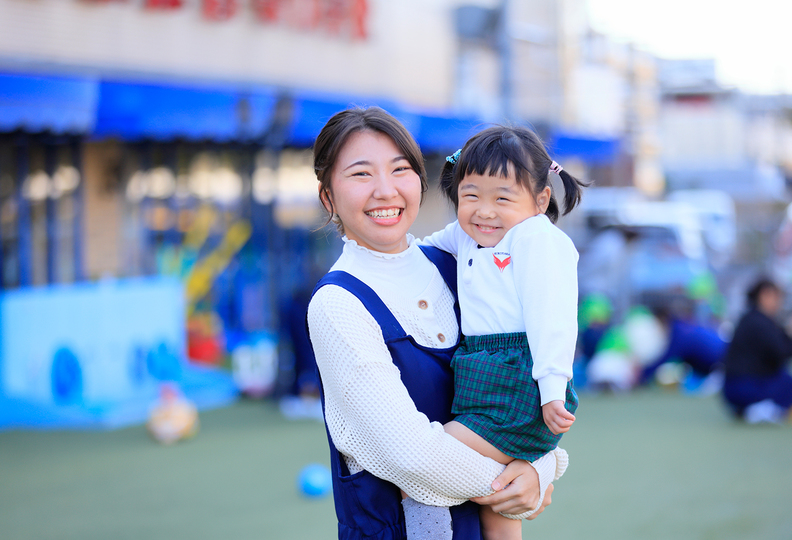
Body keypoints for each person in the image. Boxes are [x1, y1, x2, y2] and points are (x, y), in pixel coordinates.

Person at [307, 107, 563, 540]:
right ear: (328, 197)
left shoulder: (457, 262)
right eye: (361, 175)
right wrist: (522, 480)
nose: (385, 191)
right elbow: (411, 454)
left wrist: (541, 466)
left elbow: (523, 379)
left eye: (400, 169)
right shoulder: (337, 304)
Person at [419, 126, 584, 539]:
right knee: (499, 505)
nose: (484, 211)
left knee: (428, 457)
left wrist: (552, 390)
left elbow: (554, 319)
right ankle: (524, 478)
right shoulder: (466, 236)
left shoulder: (537, 239)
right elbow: (419, 249)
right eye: (471, 195)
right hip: (481, 375)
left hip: (518, 383)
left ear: (540, 200)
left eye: (503, 198)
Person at [722, 277, 792, 423]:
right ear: (764, 295)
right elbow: (782, 352)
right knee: (786, 381)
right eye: (776, 296)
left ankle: (751, 408)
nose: (779, 302)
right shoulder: (760, 323)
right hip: (745, 387)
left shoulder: (752, 319)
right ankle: (763, 409)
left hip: (734, 388)